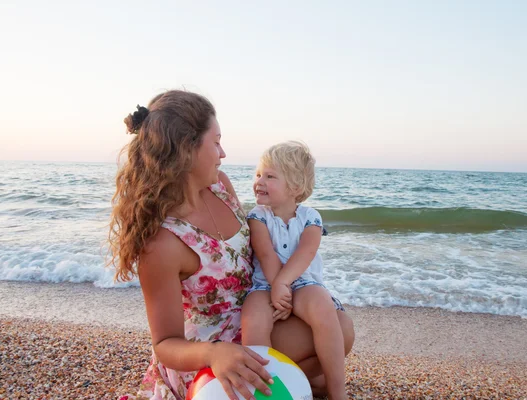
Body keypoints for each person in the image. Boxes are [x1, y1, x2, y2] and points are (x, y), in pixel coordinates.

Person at [109, 90, 354, 400]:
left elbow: (262, 249)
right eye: (216, 142)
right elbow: (165, 344)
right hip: (209, 350)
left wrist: (283, 288)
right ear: (187, 149)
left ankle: (293, 384)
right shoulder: (162, 243)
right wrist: (215, 355)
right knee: (336, 333)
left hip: (255, 310)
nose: (223, 153)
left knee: (339, 326)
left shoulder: (220, 186)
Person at [241, 141, 347, 400]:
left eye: (270, 176)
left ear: (295, 187)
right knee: (253, 318)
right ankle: (264, 389)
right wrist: (276, 285)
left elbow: (306, 252)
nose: (259, 181)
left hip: (302, 281)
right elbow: (265, 253)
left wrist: (285, 284)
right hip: (264, 282)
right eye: (258, 175)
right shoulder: (258, 216)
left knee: (323, 306)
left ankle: (337, 391)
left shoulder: (310, 217)